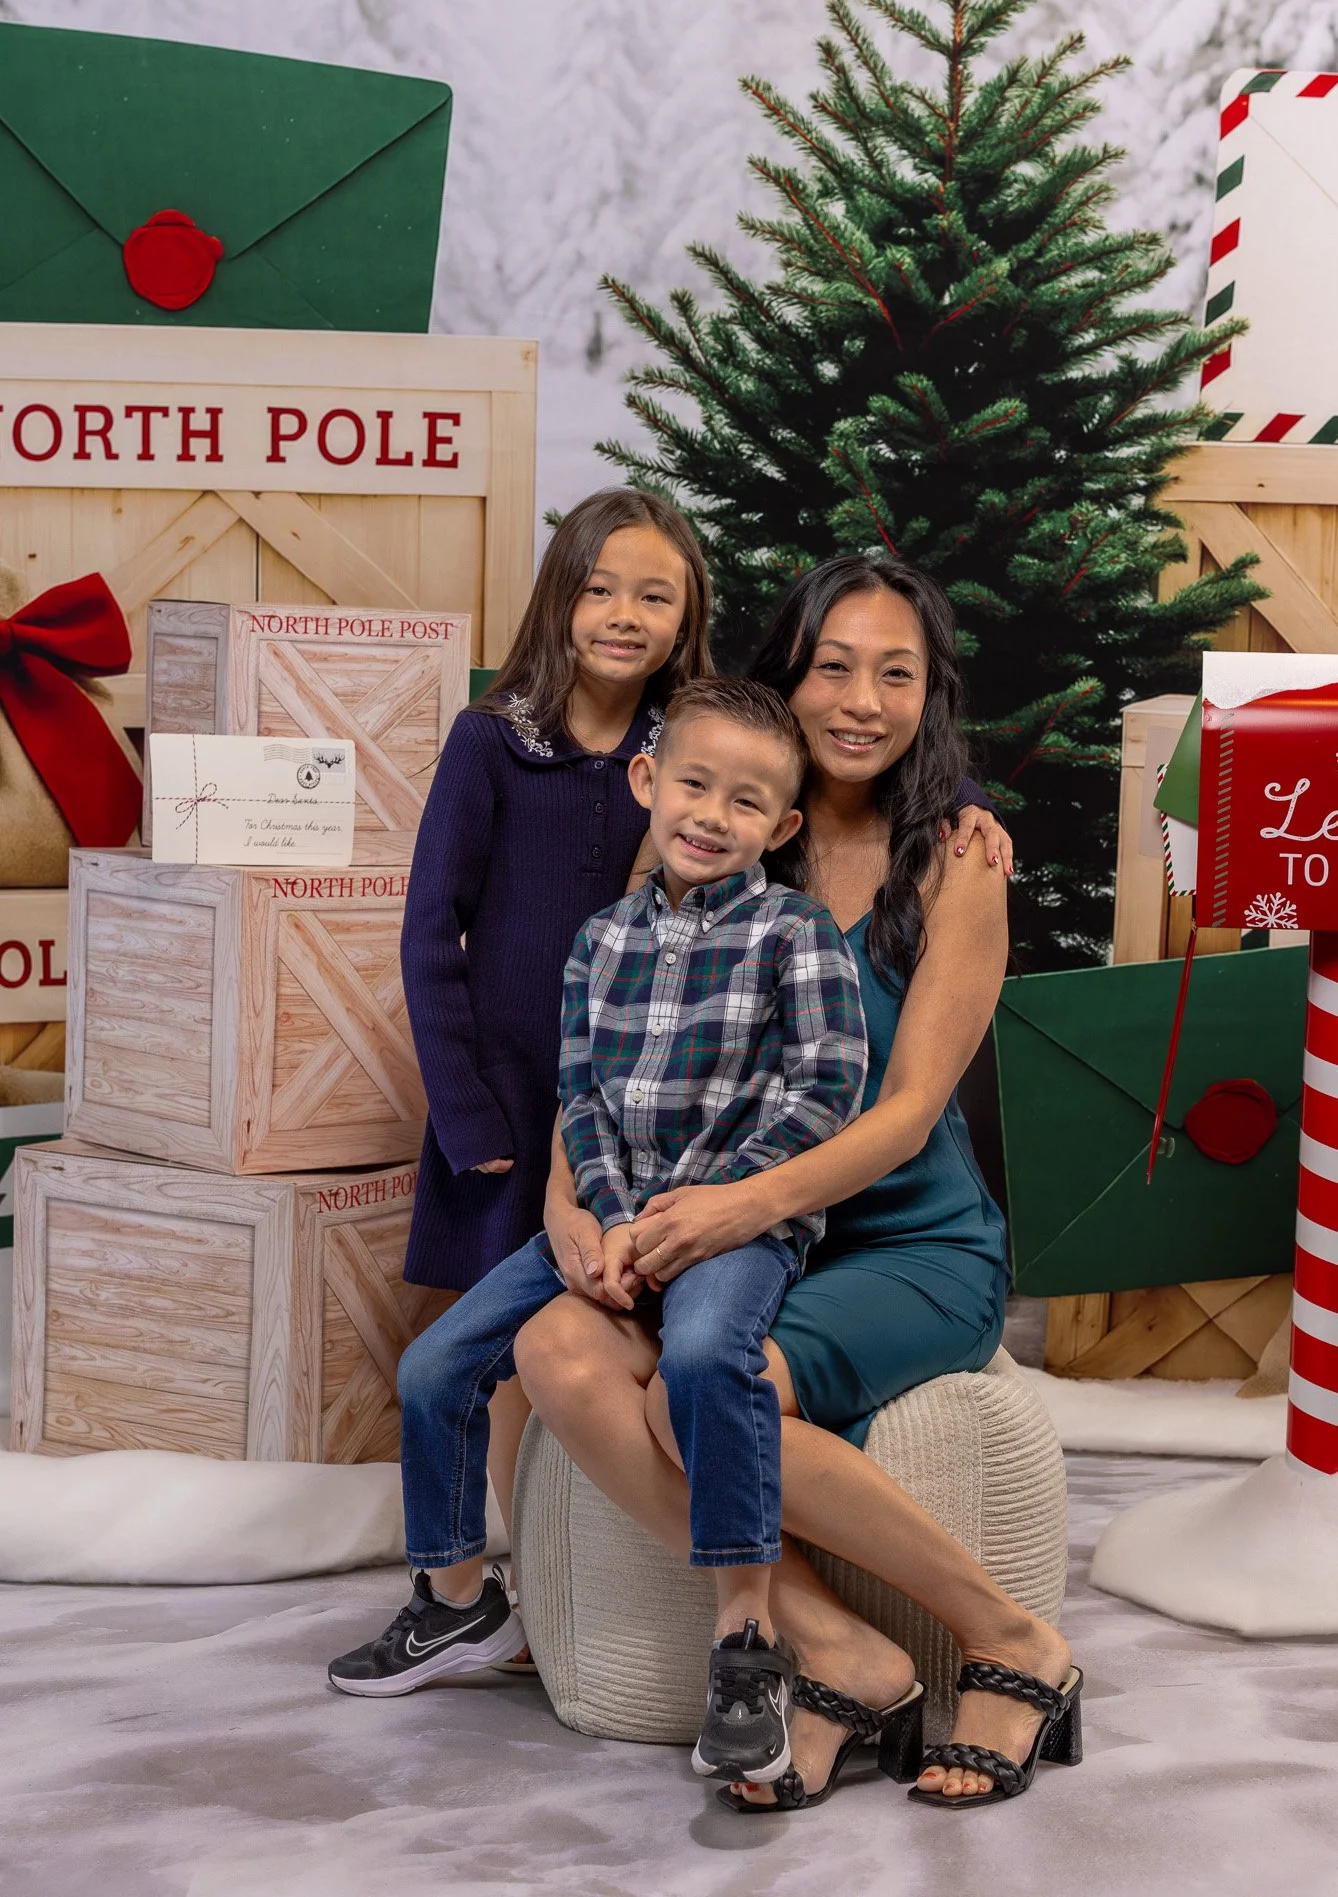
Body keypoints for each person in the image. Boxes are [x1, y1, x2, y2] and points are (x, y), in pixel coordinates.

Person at [517, 554, 1079, 1813]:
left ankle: (1012, 1636)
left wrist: (741, 1204)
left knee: (704, 1394)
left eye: (897, 674)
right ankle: (838, 1649)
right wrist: (566, 1201)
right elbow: (610, 1042)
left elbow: (909, 1111)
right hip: (742, 1239)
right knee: (555, 1348)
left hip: (902, 1244)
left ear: (930, 695)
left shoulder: (959, 857)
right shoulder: (719, 823)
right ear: (786, 676)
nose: (861, 700)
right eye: (833, 666)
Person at [329, 677, 898, 1792]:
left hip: (733, 1227)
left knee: (705, 1359)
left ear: (782, 825)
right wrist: (601, 1213)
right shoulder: (599, 941)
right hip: (614, 1220)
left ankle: (747, 1636)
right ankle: (457, 1599)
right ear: (648, 780)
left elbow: (826, 1089)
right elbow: (580, 1094)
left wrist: (697, 1210)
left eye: (745, 802)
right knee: (436, 1365)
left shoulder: (795, 932)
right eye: (693, 784)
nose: (711, 816)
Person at [393, 486, 714, 1669]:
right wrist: (464, 1110)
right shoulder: (492, 740)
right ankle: (499, 1586)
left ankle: (586, 1590)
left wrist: (969, 800)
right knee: (494, 1353)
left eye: (654, 595)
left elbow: (824, 770)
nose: (624, 614)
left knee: (588, 1330)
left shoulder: (689, 749)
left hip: (630, 1106)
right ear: (560, 598)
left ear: (686, 618)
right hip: (506, 1092)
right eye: (600, 588)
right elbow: (430, 930)